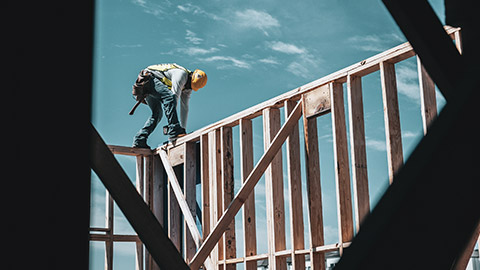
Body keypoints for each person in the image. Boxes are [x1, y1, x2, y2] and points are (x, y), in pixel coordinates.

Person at [132, 63, 207, 148]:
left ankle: (140, 139)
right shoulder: (181, 75)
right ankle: (174, 129)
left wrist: (183, 129)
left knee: (157, 114)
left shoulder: (187, 87)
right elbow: (173, 98)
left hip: (150, 83)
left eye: (190, 87)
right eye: (189, 85)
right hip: (147, 79)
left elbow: (184, 107)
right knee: (169, 98)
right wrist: (174, 130)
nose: (187, 88)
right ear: (190, 77)